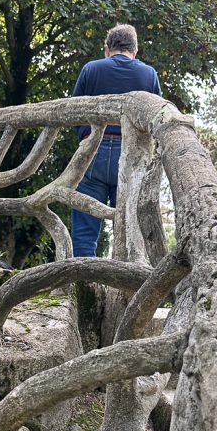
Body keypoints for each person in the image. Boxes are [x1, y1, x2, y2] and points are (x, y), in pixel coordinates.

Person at [70, 24, 162, 257]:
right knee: (130, 225)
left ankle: (83, 285)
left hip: (93, 152)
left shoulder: (91, 69)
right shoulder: (148, 74)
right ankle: (126, 286)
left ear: (107, 48)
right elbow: (157, 117)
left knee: (85, 228)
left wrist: (86, 136)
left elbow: (70, 112)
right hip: (131, 156)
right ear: (135, 51)